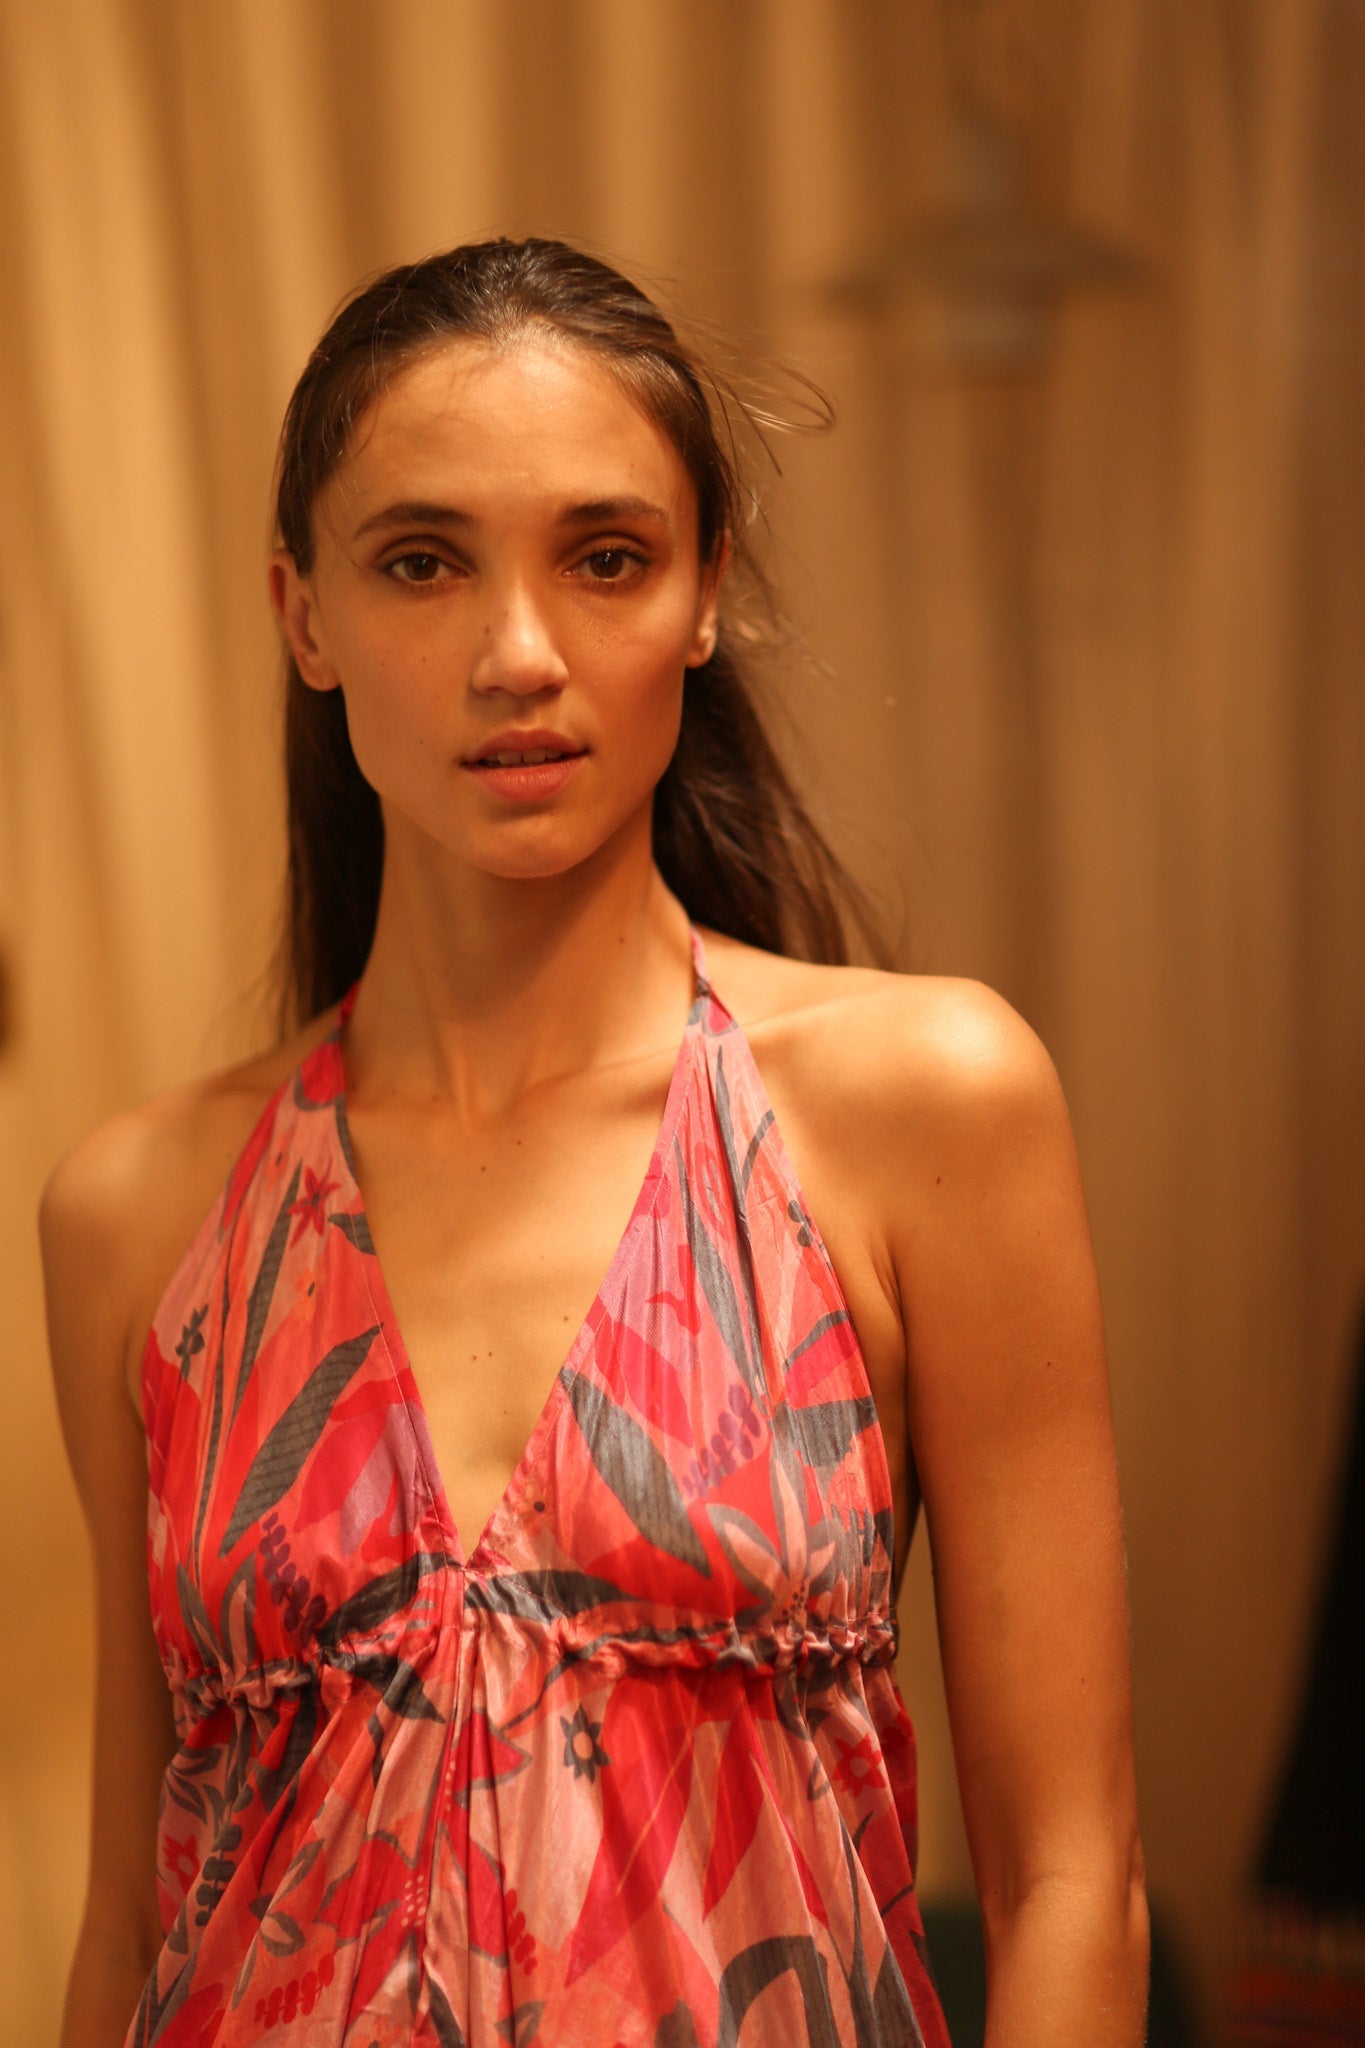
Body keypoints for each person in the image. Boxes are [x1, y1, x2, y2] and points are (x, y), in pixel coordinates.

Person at [40, 237, 1148, 2047]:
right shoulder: (137, 1213)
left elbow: (1068, 1878)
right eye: (421, 562)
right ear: (302, 616)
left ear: (706, 595)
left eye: (606, 557)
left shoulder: (922, 1105)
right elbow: (130, 1929)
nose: (519, 654)